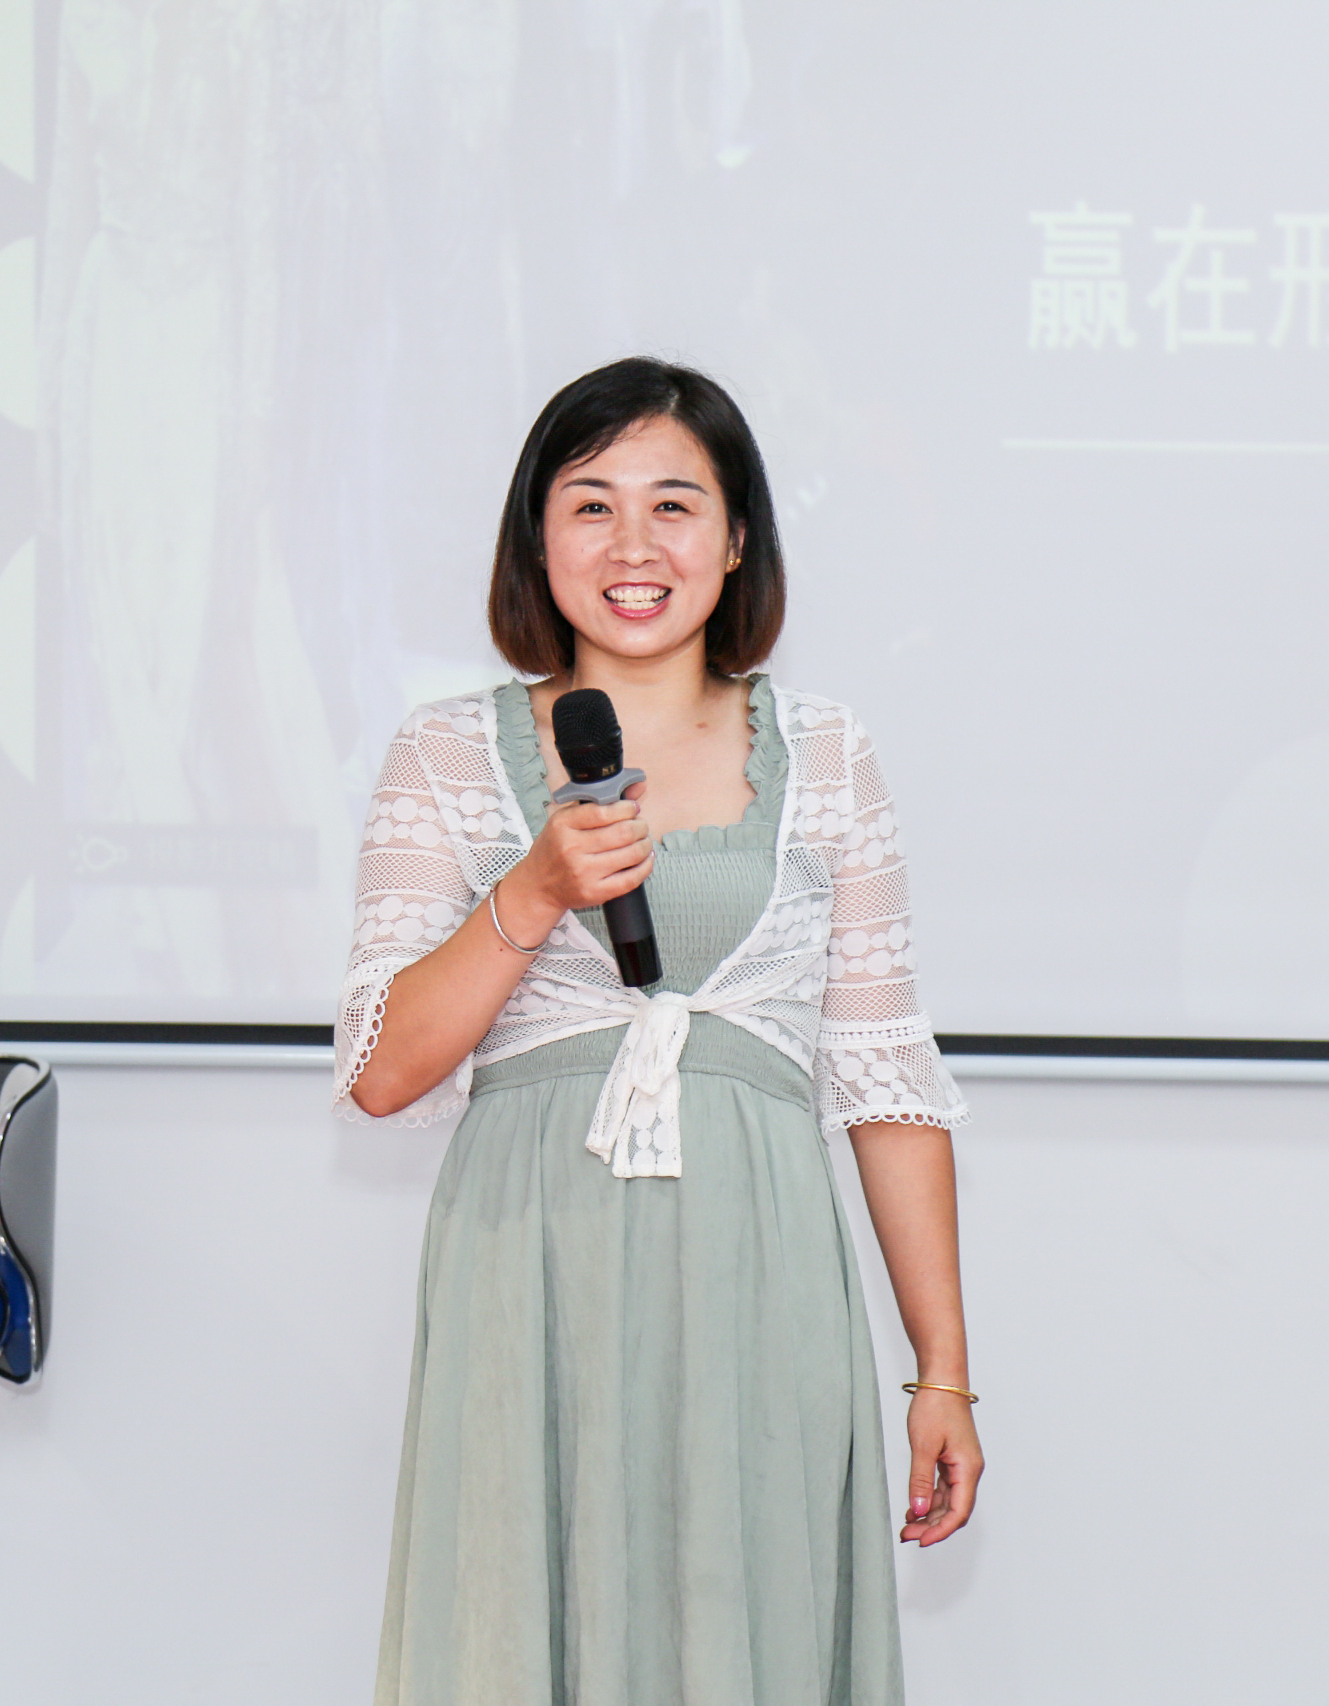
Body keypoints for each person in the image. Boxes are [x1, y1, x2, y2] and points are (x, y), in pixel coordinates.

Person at [337, 357, 978, 1706]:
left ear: (737, 539)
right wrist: (532, 890)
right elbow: (386, 1070)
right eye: (592, 506)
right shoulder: (445, 754)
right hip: (532, 1277)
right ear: (536, 539)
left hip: (760, 1272)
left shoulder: (829, 753)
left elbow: (884, 1079)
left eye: (674, 506)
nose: (634, 546)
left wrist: (944, 1374)